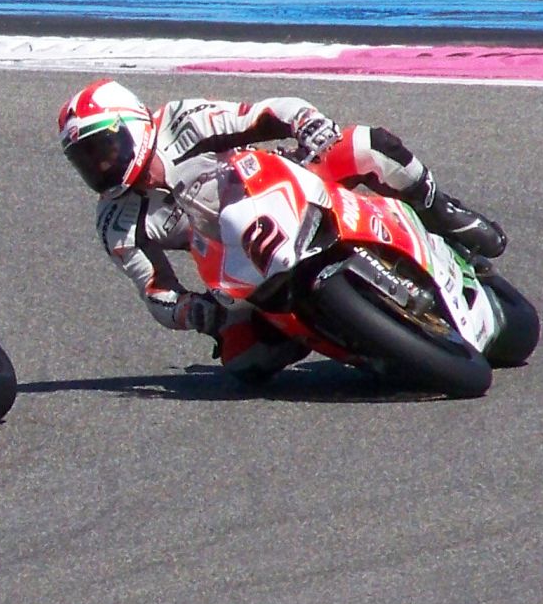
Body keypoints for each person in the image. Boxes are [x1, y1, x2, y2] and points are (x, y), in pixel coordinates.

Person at [55, 79, 507, 383]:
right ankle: (355, 339)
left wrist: (310, 126)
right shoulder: (115, 222)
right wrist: (191, 312)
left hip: (282, 186)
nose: (98, 166)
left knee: (366, 145)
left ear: (132, 125)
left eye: (104, 148)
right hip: (236, 263)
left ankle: (444, 212)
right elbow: (154, 291)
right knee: (242, 363)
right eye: (84, 161)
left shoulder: (183, 121)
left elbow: (273, 110)